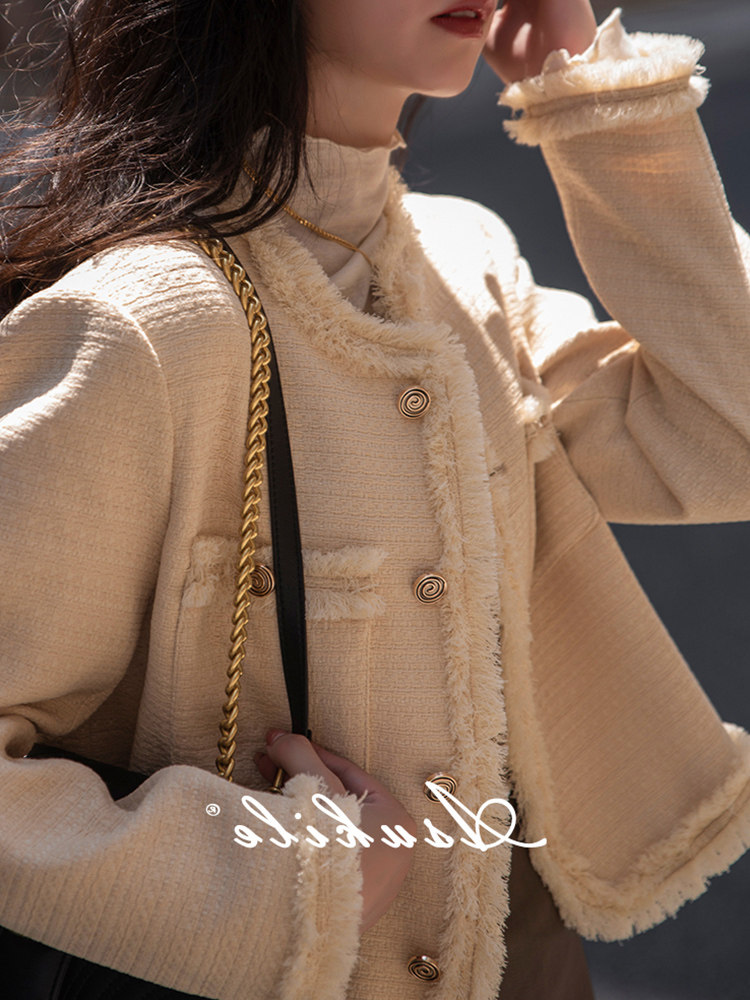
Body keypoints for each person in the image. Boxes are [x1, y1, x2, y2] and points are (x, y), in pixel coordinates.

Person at [1, 1, 749, 998]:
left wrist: (588, 89)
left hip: (528, 958)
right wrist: (276, 881)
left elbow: (728, 436)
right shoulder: (144, 324)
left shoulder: (465, 258)